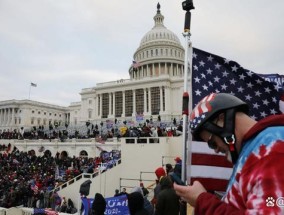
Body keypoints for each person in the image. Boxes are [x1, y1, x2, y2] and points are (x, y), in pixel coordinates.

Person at [173, 93, 284, 214]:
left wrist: (203, 201)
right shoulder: (254, 151)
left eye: (212, 142)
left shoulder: (272, 149)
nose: (215, 150)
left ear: (222, 120)